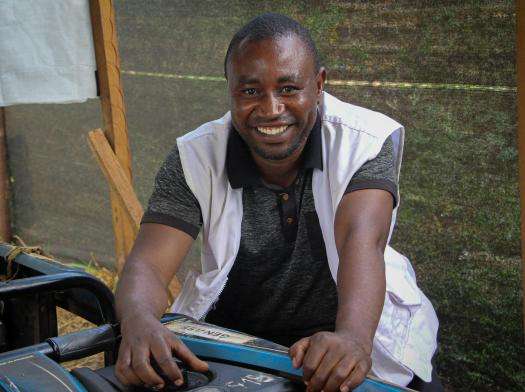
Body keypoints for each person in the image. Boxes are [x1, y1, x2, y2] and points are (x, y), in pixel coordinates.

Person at [114, 13, 441, 392]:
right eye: (250, 91)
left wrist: (352, 339)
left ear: (318, 85)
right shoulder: (195, 157)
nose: (271, 109)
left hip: (353, 325)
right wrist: (138, 321)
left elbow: (360, 238)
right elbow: (150, 263)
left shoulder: (365, 140)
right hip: (240, 337)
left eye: (288, 88)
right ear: (230, 89)